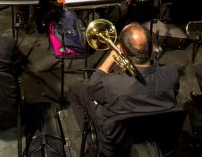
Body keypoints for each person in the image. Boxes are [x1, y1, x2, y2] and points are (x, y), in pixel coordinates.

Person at [68, 23, 179, 156]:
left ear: (123, 51)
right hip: (156, 134)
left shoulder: (111, 85)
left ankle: (93, 139)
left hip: (115, 143)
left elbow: (93, 87)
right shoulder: (172, 74)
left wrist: (111, 56)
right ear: (150, 48)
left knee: (75, 89)